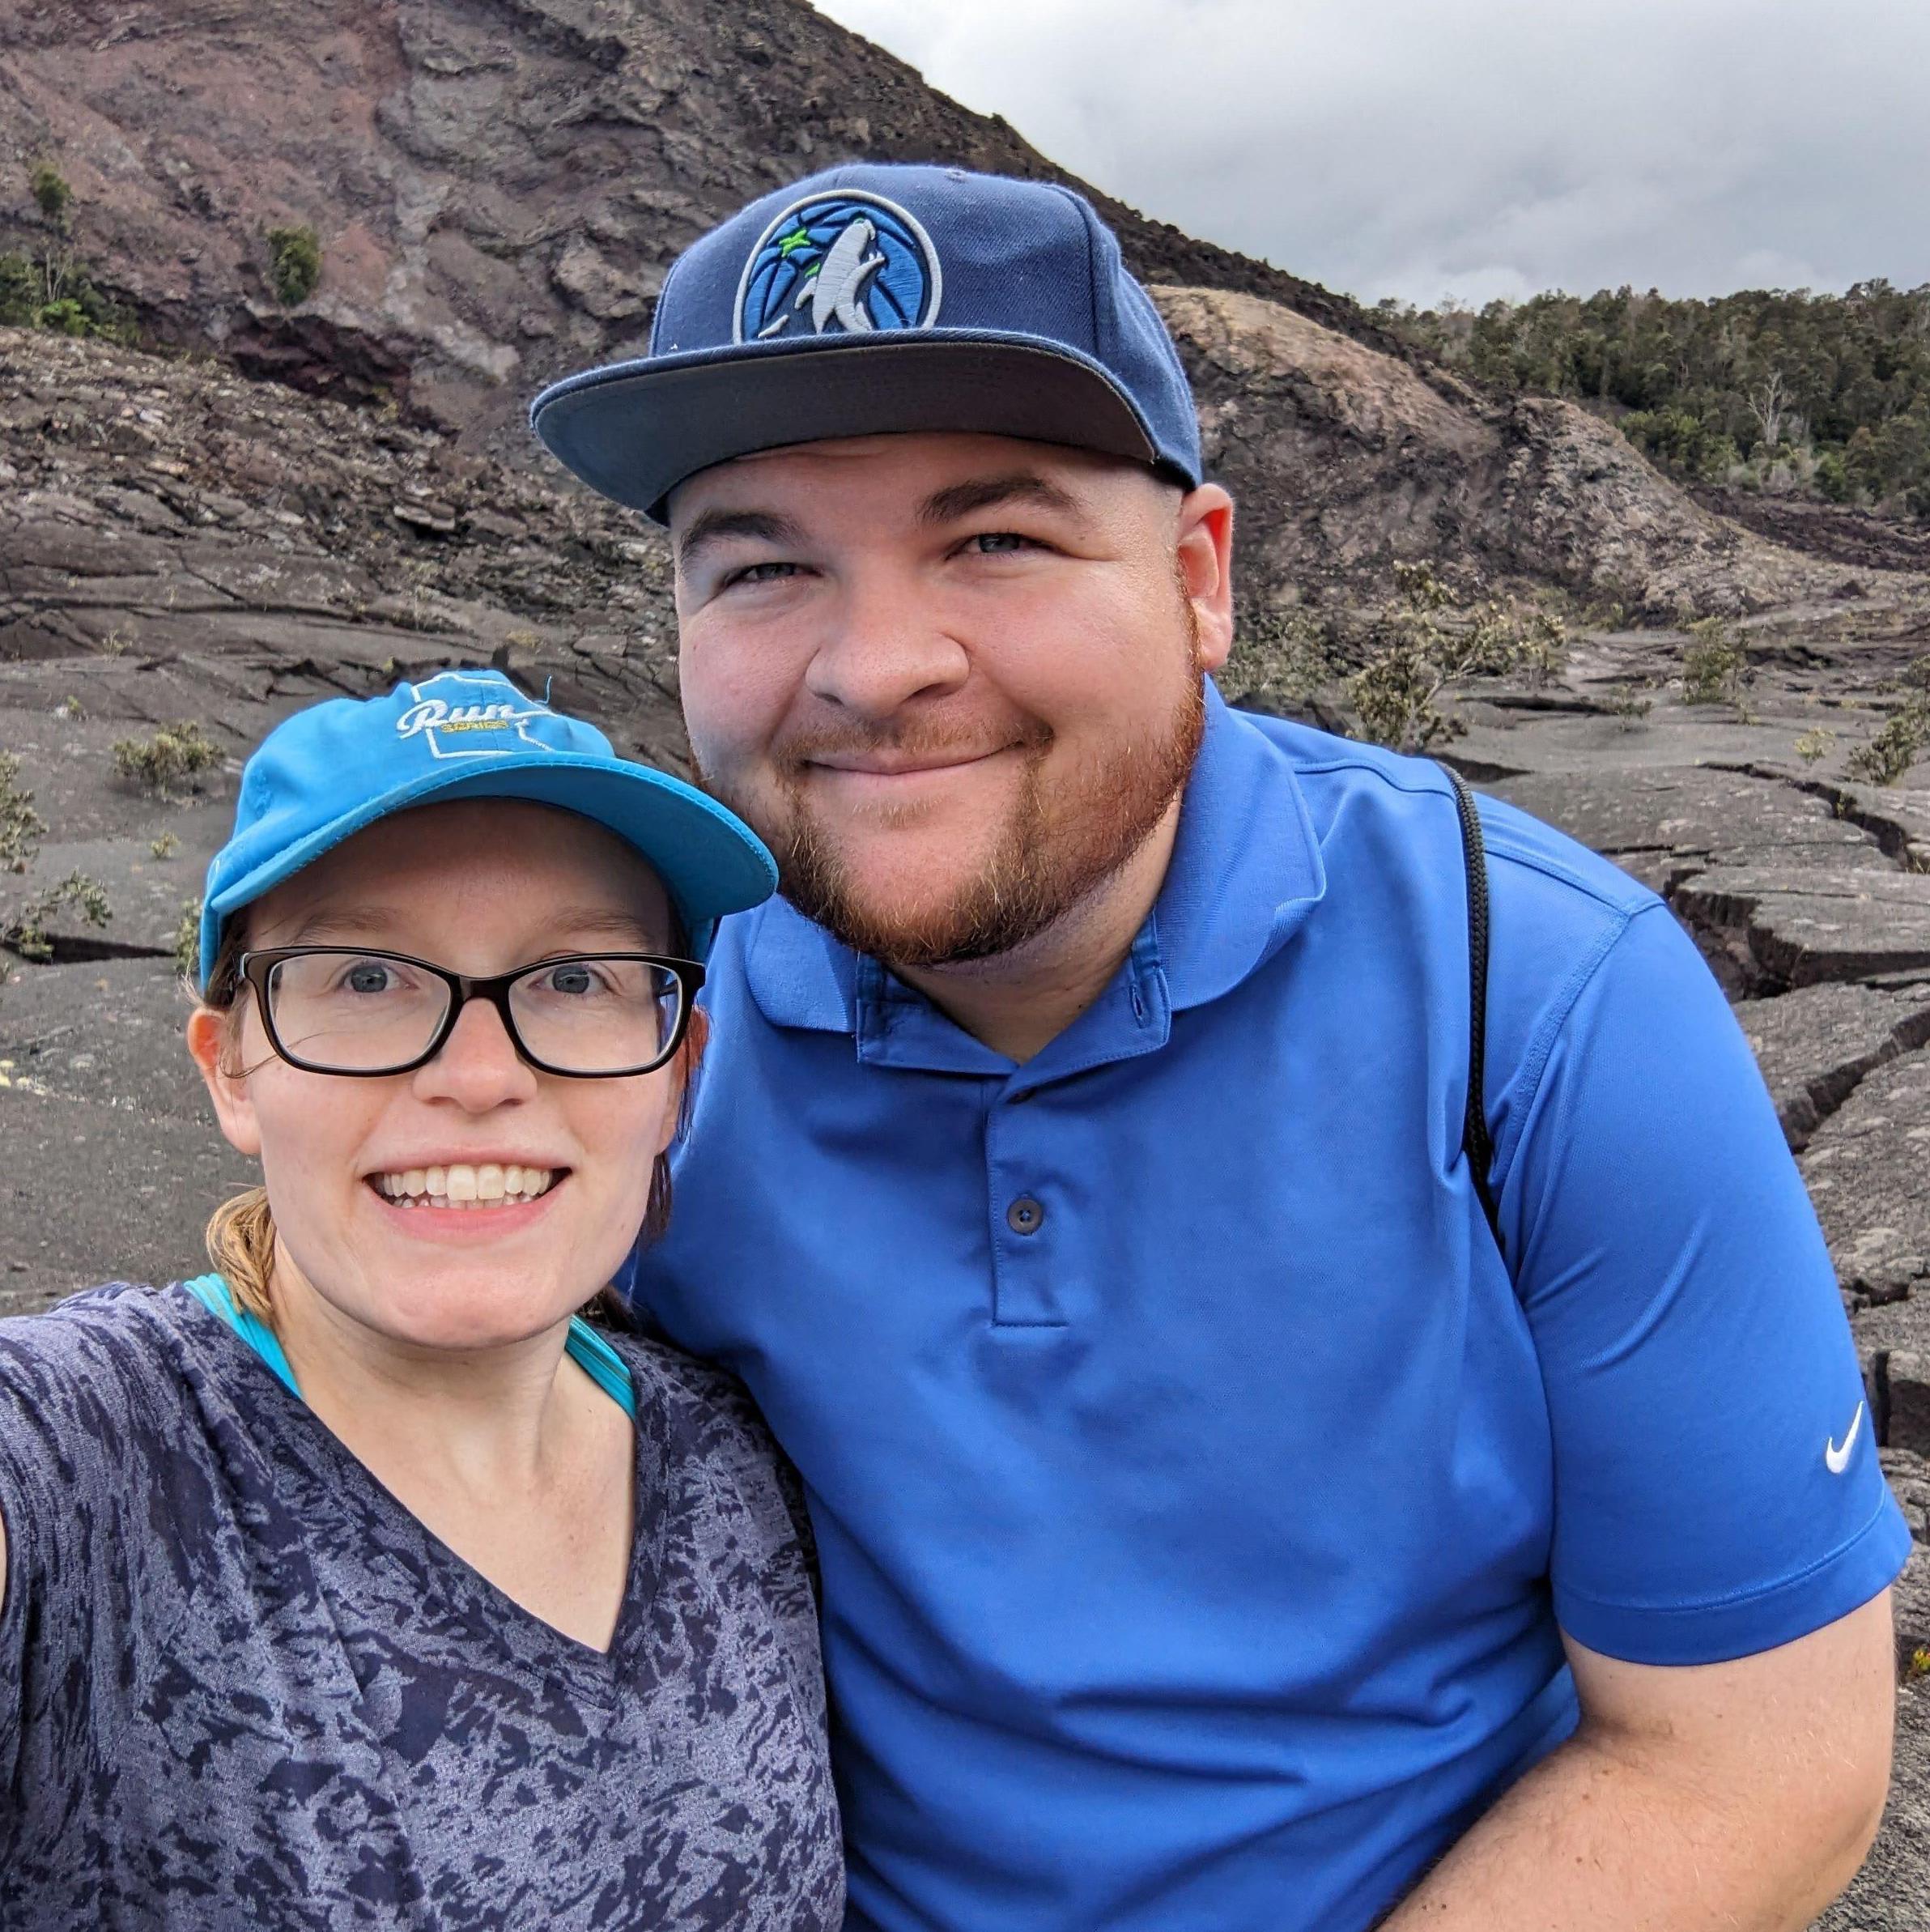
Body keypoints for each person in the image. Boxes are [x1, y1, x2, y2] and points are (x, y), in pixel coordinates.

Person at [530, 164, 1914, 1932]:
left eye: (994, 541)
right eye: (761, 566)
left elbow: (1755, 1761)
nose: (875, 666)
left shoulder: (1536, 995)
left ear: (1197, 579)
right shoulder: (634, 1023)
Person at [0, 669, 844, 1930]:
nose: (479, 1074)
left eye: (575, 977)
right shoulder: (96, 1457)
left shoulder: (740, 1462)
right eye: (365, 976)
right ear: (232, 1065)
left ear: (677, 1073)